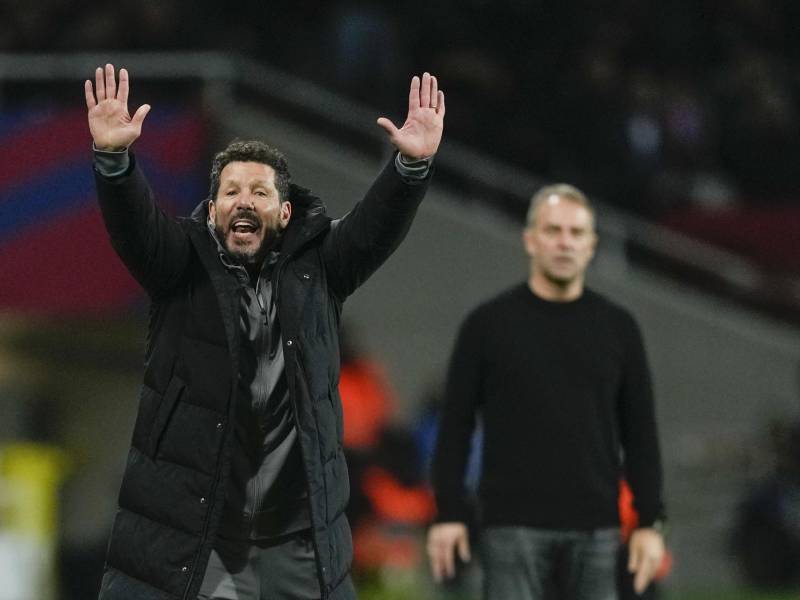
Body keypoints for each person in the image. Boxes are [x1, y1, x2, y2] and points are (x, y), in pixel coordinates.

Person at [85, 63, 444, 600]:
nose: (245, 201)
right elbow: (135, 225)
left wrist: (410, 167)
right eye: (231, 192)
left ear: (285, 210)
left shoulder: (321, 267)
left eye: (259, 191)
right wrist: (115, 161)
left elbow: (374, 228)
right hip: (197, 540)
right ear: (211, 212)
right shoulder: (179, 263)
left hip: (295, 544)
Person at [426, 184, 666, 600]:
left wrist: (649, 522)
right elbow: (455, 427)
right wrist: (449, 512)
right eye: (553, 230)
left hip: (596, 529)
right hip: (510, 528)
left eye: (576, 233)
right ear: (530, 239)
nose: (564, 243)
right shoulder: (488, 326)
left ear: (592, 245)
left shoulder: (619, 329)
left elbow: (641, 434)